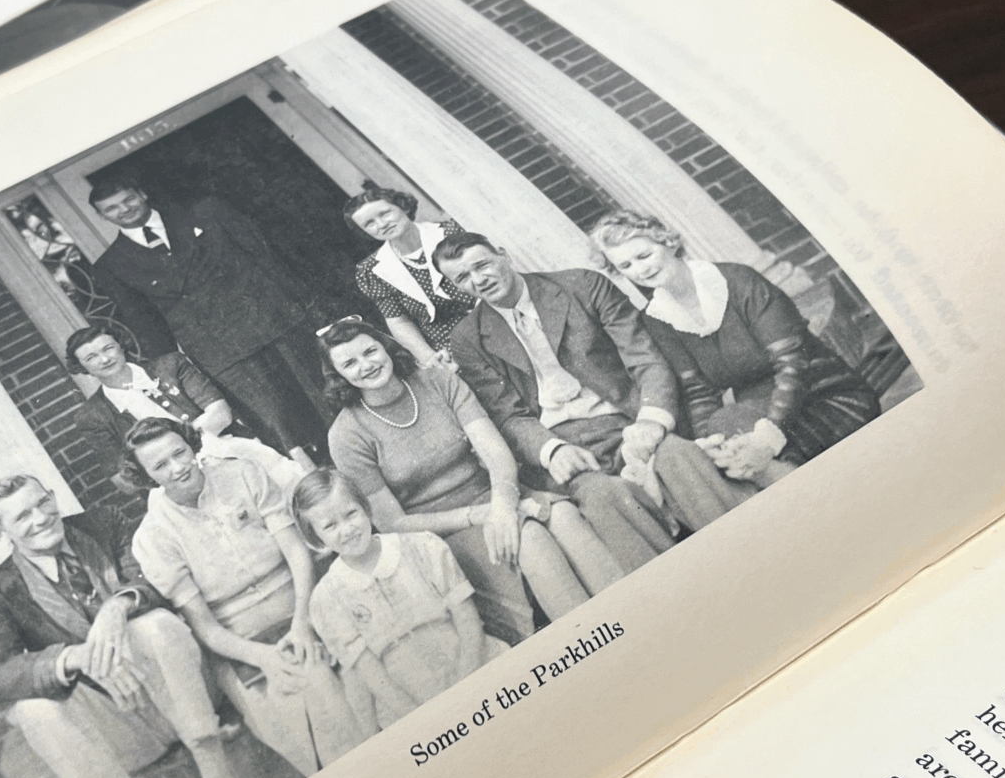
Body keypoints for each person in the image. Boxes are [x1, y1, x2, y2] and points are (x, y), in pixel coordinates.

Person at [0, 474, 252, 778]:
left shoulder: (103, 524)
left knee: (154, 625)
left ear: (52, 496)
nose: (41, 518)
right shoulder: (2, 590)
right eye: (22, 516)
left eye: (42, 503)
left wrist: (117, 607)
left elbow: (151, 579)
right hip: (119, 720)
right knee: (32, 711)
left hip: (180, 689)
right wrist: (76, 657)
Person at [318, 317, 622, 644]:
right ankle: (591, 643)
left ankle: (631, 621)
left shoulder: (438, 381)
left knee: (564, 516)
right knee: (530, 537)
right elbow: (394, 522)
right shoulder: (346, 434)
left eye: (370, 351)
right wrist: (483, 515)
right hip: (438, 531)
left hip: (491, 495)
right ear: (337, 375)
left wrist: (502, 506)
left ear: (386, 347)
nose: (366, 365)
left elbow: (496, 454)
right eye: (349, 363)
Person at [435, 231, 735, 561]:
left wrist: (652, 419)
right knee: (600, 497)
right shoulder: (469, 338)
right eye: (463, 278)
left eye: (482, 265)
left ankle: (743, 552)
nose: (479, 280)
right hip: (564, 439)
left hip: (627, 417)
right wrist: (552, 450)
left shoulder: (582, 285)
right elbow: (506, 415)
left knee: (678, 457)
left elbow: (644, 358)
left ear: (502, 254)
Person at [124, 417, 374, 776]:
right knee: (309, 704)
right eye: (160, 465)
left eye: (179, 453)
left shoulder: (242, 473)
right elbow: (206, 629)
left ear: (191, 445)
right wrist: (265, 658)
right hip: (243, 646)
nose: (177, 468)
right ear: (147, 477)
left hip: (307, 606)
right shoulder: (152, 537)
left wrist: (302, 623)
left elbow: (297, 554)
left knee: (351, 688)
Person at [590, 210, 881, 487]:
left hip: (822, 395)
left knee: (746, 451)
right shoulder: (657, 318)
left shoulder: (739, 281)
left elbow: (793, 363)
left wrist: (767, 439)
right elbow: (699, 392)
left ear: (668, 242)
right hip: (753, 414)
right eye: (625, 266)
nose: (641, 270)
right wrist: (709, 441)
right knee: (725, 439)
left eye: (644, 255)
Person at [86, 163, 331, 457]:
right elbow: (145, 323)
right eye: (112, 208)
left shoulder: (206, 213)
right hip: (219, 351)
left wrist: (308, 309)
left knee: (323, 394)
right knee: (278, 423)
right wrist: (171, 373)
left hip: (274, 321)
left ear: (142, 194)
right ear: (102, 216)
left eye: (128, 199)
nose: (124, 209)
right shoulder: (112, 265)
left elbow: (265, 256)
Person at [293, 469, 504, 729]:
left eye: (351, 514)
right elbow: (372, 674)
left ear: (366, 508)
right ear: (315, 537)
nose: (347, 530)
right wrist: (420, 718)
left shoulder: (423, 547)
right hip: (406, 699)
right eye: (330, 526)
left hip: (470, 663)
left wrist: (467, 685)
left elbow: (468, 621)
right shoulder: (326, 599)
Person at [65, 326, 313, 491]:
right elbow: (123, 480)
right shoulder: (92, 416)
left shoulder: (169, 366)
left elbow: (220, 414)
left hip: (227, 451)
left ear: (120, 346)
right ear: (82, 368)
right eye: (91, 357)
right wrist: (173, 467)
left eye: (108, 348)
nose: (105, 359)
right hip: (175, 484)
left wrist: (166, 456)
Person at [343, 183, 478, 366]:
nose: (382, 224)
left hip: (491, 318)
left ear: (403, 206)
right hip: (450, 347)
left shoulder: (451, 232)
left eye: (385, 213)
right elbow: (399, 321)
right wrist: (430, 358)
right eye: (369, 223)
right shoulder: (372, 270)